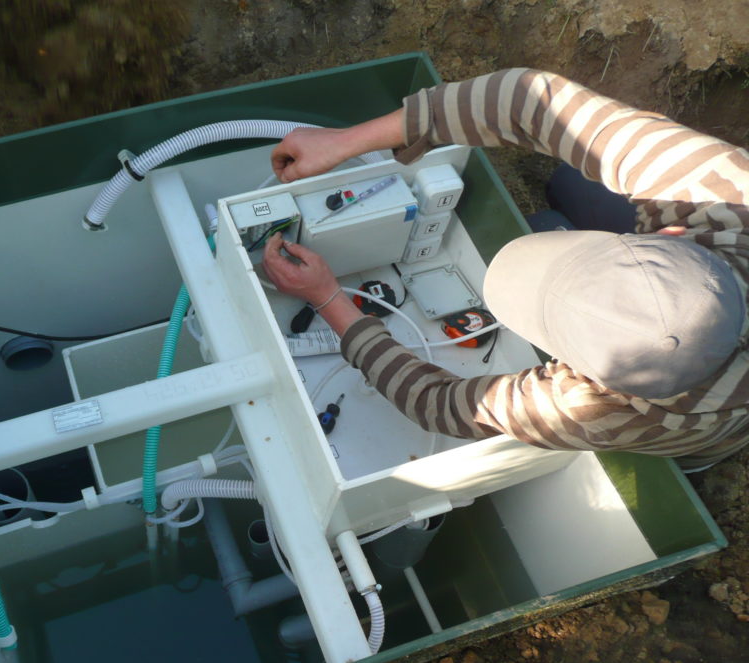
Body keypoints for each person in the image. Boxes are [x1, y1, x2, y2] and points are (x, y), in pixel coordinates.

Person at [263, 68, 749, 471]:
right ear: (672, 236)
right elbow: (532, 102)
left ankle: (698, 464)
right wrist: (346, 140)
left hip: (711, 429)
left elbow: (438, 403)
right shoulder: (725, 192)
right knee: (574, 181)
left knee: (545, 224)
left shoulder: (613, 413)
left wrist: (329, 299)